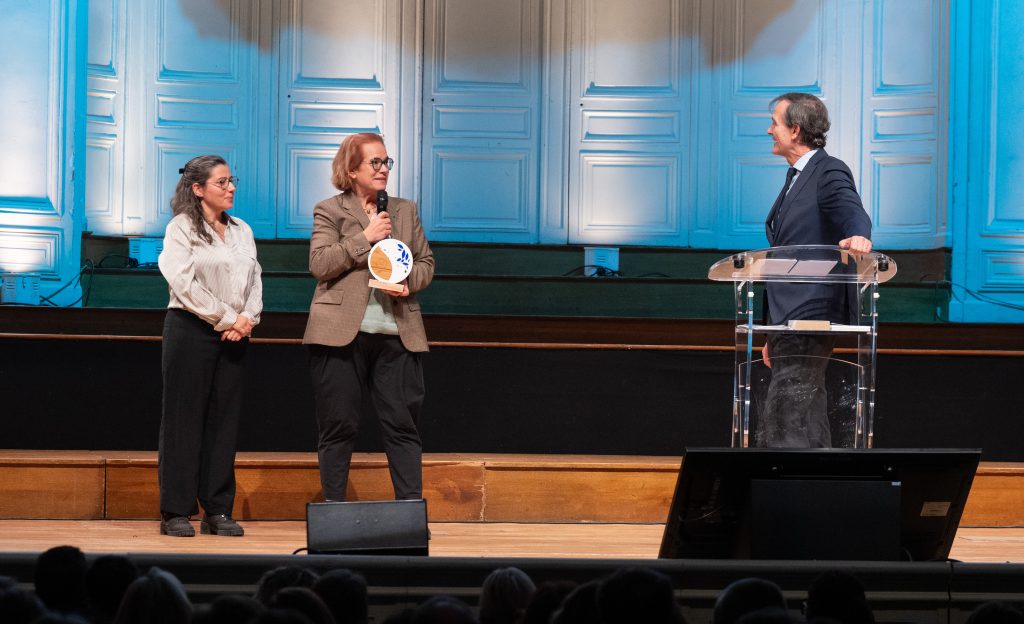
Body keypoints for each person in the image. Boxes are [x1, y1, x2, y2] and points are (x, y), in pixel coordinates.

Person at [304, 132, 435, 503]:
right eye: (374, 162)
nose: (383, 169)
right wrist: (366, 236)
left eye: (386, 162)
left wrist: (408, 282)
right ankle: (334, 511)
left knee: (402, 427)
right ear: (351, 169)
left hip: (397, 333)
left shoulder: (405, 210)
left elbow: (425, 262)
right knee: (339, 426)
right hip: (339, 335)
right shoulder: (329, 210)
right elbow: (320, 264)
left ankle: (410, 511)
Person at [157, 155, 263, 537]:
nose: (230, 187)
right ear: (198, 189)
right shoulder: (181, 228)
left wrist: (248, 318)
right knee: (183, 422)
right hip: (191, 330)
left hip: (234, 335)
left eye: (231, 180)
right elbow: (183, 284)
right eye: (222, 182)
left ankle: (217, 509)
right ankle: (176, 510)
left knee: (224, 424)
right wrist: (228, 317)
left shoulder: (242, 230)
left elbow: (255, 280)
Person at [759, 92, 872, 448]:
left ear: (795, 130)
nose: (769, 130)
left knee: (788, 410)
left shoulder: (828, 170)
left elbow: (852, 211)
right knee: (803, 408)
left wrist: (859, 236)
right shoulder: (795, 177)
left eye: (774, 124)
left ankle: (786, 477)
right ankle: (817, 471)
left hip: (810, 311)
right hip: (787, 317)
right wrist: (771, 331)